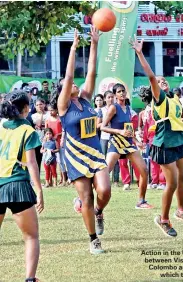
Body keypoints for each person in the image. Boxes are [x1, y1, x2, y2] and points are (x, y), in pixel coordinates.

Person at [130, 35, 183, 237]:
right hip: (164, 142)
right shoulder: (159, 98)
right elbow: (150, 76)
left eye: (163, 80)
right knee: (172, 183)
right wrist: (140, 53)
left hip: (179, 140)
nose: (162, 81)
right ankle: (163, 219)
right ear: (155, 88)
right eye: (159, 81)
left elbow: (182, 114)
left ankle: (181, 210)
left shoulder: (173, 98)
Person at [57, 28, 111, 254]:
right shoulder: (63, 106)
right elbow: (69, 77)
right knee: (86, 198)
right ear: (64, 90)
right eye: (70, 85)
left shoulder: (86, 100)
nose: (75, 85)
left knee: (105, 191)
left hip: (95, 153)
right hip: (75, 157)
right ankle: (93, 240)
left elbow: (92, 72)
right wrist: (72, 48)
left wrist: (95, 43)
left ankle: (99, 211)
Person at [0, 90, 44, 282]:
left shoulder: (1, 127)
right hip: (18, 185)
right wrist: (40, 190)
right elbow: (32, 163)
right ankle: (29, 279)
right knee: (31, 237)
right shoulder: (28, 130)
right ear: (26, 109)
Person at [101, 83, 153, 209]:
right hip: (116, 142)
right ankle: (84, 198)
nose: (122, 93)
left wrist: (137, 141)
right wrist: (119, 132)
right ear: (114, 94)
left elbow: (128, 129)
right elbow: (103, 126)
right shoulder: (113, 108)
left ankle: (141, 201)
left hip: (129, 143)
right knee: (105, 172)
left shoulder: (129, 109)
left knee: (144, 171)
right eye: (119, 91)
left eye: (123, 91)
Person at [97, 90, 120, 186]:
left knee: (115, 159)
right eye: (108, 97)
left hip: (115, 137)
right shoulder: (101, 110)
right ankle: (105, 180)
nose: (111, 99)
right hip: (104, 137)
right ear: (105, 99)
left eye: (112, 97)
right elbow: (97, 125)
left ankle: (115, 180)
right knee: (104, 160)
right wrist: (105, 123)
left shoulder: (117, 108)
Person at [45, 102, 67, 186]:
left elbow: (64, 130)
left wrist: (57, 135)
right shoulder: (47, 120)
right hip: (50, 144)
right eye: (49, 110)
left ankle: (64, 179)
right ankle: (49, 181)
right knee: (49, 160)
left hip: (60, 142)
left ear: (56, 110)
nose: (50, 112)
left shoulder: (60, 119)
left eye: (52, 110)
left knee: (61, 161)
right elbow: (46, 132)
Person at [31, 98, 49, 174]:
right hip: (38, 139)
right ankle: (37, 175)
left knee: (49, 159)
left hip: (48, 138)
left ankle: (50, 179)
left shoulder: (49, 113)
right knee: (38, 158)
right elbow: (38, 124)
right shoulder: (34, 115)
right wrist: (42, 114)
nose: (39, 106)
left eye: (41, 104)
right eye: (37, 105)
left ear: (44, 105)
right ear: (35, 106)